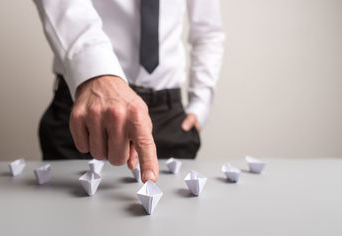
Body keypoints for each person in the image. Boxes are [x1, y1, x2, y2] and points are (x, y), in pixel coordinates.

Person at [33, 0, 225, 183]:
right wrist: (96, 72)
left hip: (167, 116)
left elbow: (208, 33)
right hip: (85, 106)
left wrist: (201, 104)